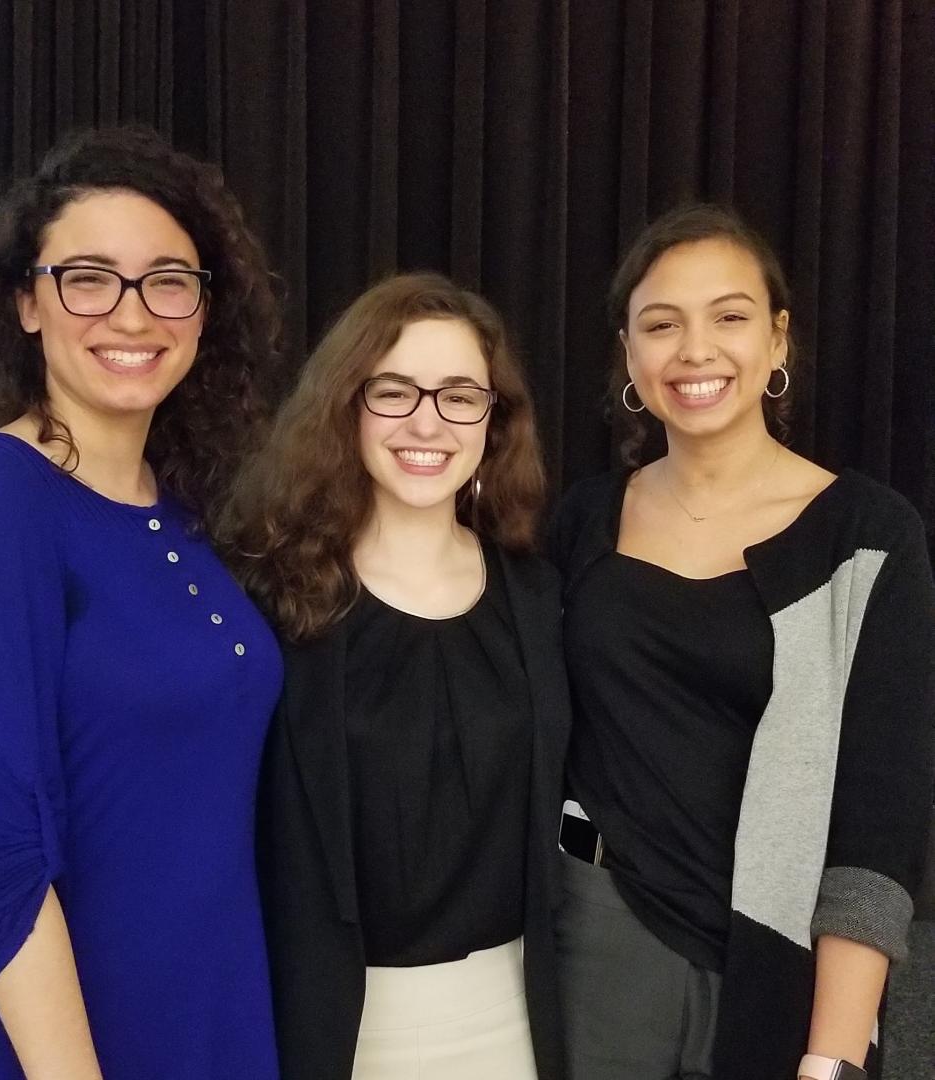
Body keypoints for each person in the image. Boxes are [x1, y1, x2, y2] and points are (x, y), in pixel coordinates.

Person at [0, 126, 284, 1079]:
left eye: (167, 280)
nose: (131, 312)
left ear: (203, 309)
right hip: (44, 1043)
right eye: (88, 278)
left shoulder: (186, 508)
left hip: (201, 1007)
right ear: (27, 302)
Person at [552, 203, 935, 1080]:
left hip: (779, 967)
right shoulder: (579, 522)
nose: (695, 351)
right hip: (595, 953)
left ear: (777, 341)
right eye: (661, 324)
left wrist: (831, 1059)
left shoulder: (867, 536)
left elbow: (879, 827)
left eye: (729, 316)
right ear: (628, 352)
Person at [233, 273, 570, 1080]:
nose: (427, 422)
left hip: (515, 1018)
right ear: (346, 404)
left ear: (494, 420)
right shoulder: (268, 599)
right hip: (334, 1027)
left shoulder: (538, 596)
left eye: (459, 394)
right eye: (394, 391)